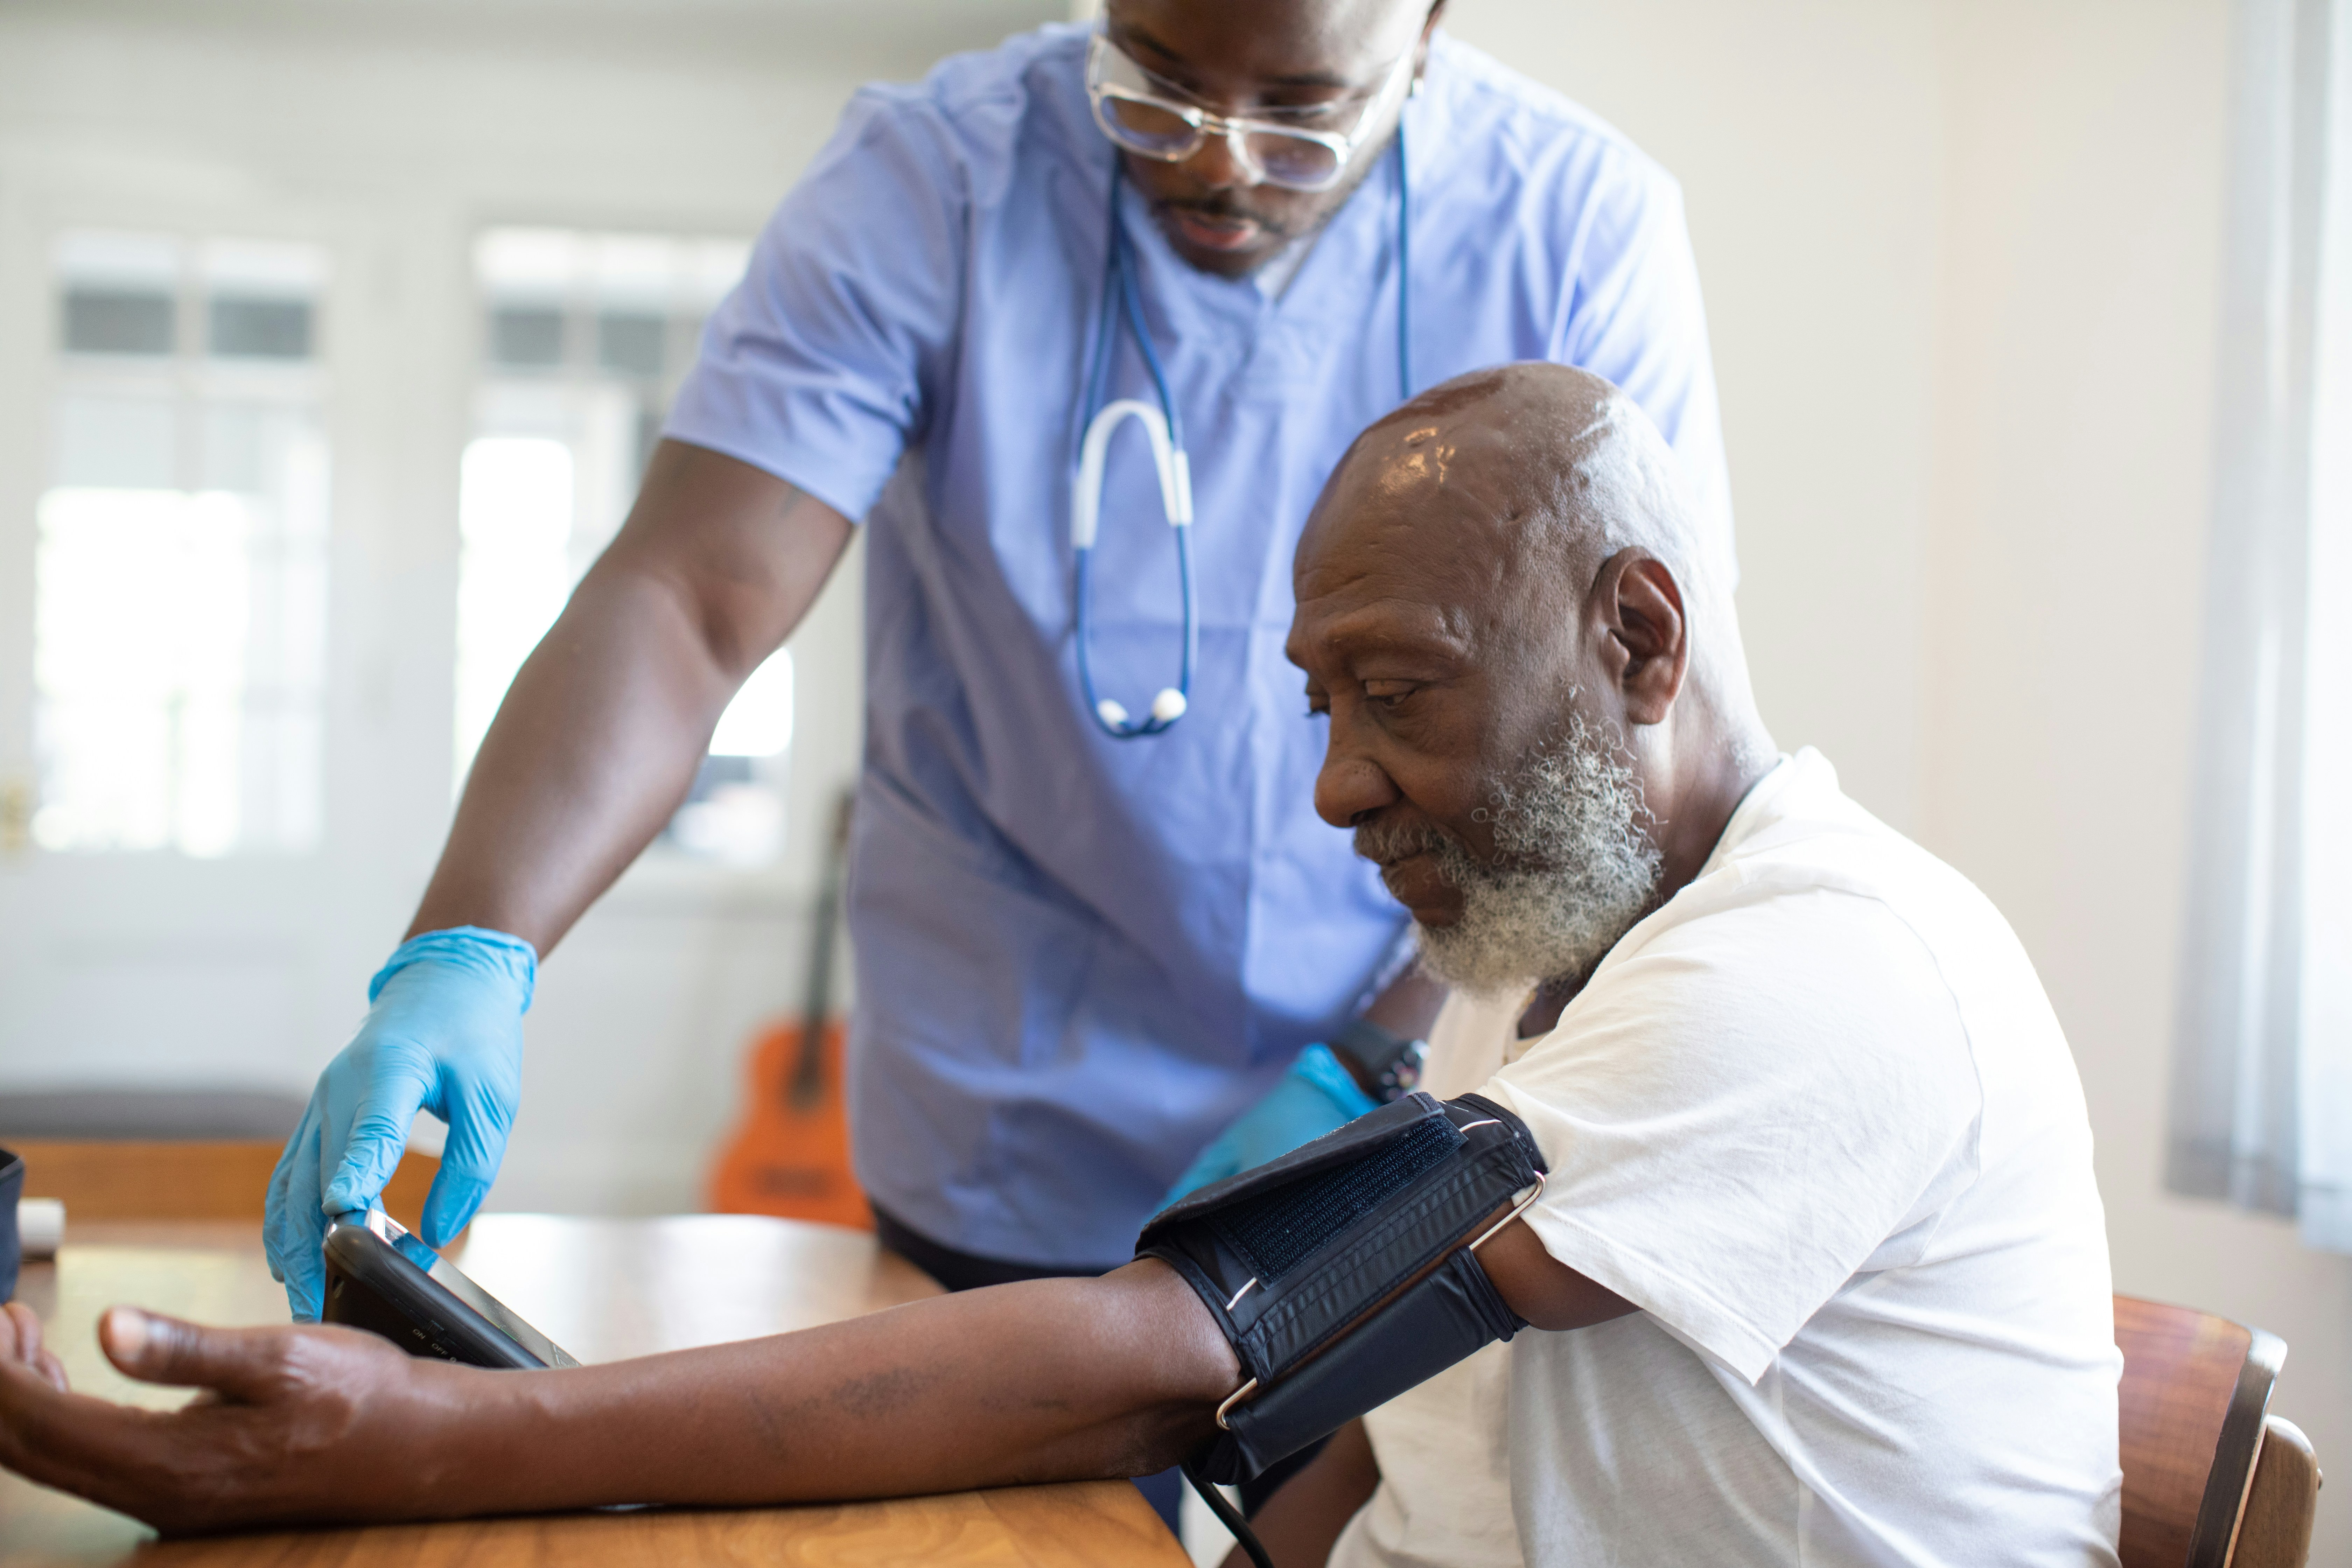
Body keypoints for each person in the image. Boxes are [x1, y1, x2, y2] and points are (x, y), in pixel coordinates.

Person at [0, 365, 2120, 1567]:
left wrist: (436, 1445)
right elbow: (1363, 1423)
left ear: (1638, 640)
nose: (1334, 786)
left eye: (1395, 692)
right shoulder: (1554, 962)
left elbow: (1193, 1346)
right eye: (1318, 703)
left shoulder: (1827, 975)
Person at [259, 0, 1735, 1379]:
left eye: (1300, 115)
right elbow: (693, 598)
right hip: (1004, 1103)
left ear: (1427, 28)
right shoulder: (934, 183)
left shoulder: (1575, 227)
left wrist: (1381, 1051)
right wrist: (474, 943)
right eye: (1156, 86)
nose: (1217, 163)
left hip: (1391, 1094)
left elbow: (1625, 725)